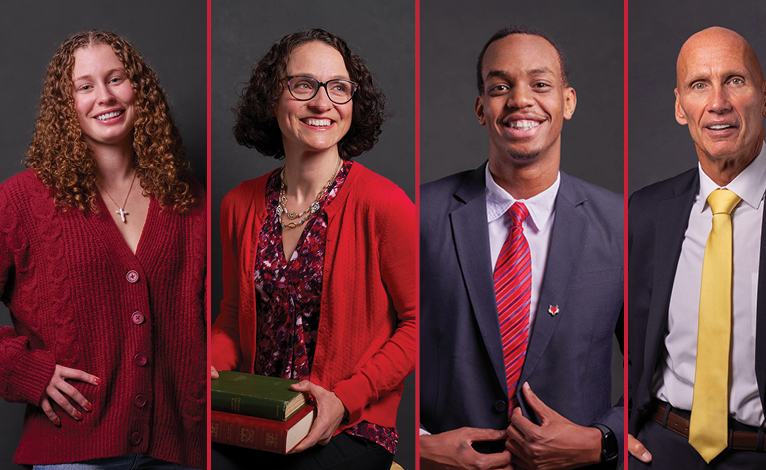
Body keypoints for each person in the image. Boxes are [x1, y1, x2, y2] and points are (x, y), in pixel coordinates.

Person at [628, 26, 766, 469]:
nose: (717, 102)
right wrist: (619, 426)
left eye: (734, 81)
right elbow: (626, 344)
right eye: (698, 85)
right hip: (662, 450)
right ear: (681, 108)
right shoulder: (646, 211)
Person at [210, 29, 415, 470]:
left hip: (350, 424)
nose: (323, 103)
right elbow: (232, 315)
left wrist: (346, 399)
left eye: (339, 88)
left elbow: (418, 325)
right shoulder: (238, 205)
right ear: (271, 99)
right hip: (259, 414)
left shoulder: (384, 204)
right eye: (304, 85)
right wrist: (207, 365)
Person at [0, 31, 206, 469]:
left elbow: (214, 315)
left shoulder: (191, 200)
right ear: (65, 104)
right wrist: (25, 371)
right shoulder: (21, 202)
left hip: (179, 450)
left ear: (140, 90)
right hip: (72, 451)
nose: (105, 96)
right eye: (85, 86)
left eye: (117, 79)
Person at [420, 26, 623, 470]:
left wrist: (600, 441)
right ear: (480, 109)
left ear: (567, 102)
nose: (519, 100)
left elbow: (661, 373)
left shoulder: (623, 225)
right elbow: (371, 353)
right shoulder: (419, 214)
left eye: (540, 84)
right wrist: (416, 447)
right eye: (499, 87)